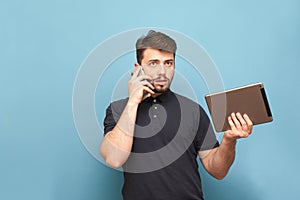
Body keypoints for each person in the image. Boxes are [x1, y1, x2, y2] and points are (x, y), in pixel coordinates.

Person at [100, 30, 253, 200]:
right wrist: (133, 102)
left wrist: (229, 140)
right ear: (138, 68)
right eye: (153, 63)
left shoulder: (193, 110)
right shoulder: (118, 109)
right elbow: (114, 159)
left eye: (168, 63)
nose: (162, 71)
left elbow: (217, 170)